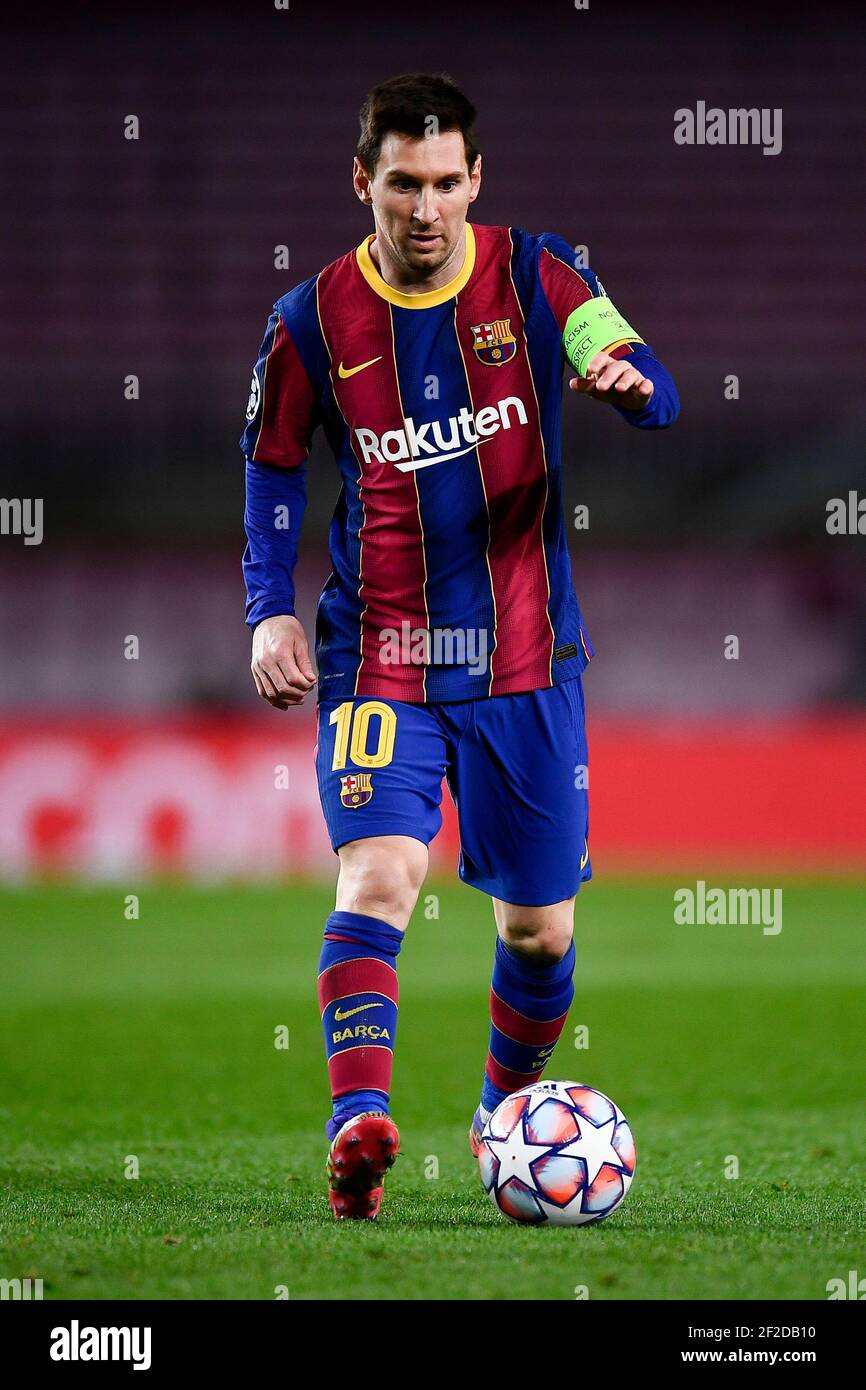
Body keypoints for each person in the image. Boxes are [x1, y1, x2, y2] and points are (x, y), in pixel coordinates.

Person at [240, 72, 679, 1220]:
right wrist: (267, 607)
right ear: (362, 182)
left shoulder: (541, 275)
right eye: (401, 185)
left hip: (526, 660)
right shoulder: (309, 320)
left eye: (444, 183)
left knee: (537, 933)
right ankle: (355, 1126)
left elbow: (648, 374)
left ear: (474, 180)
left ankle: (497, 1115)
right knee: (379, 874)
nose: (424, 208)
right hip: (378, 650)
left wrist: (626, 387)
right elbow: (274, 465)